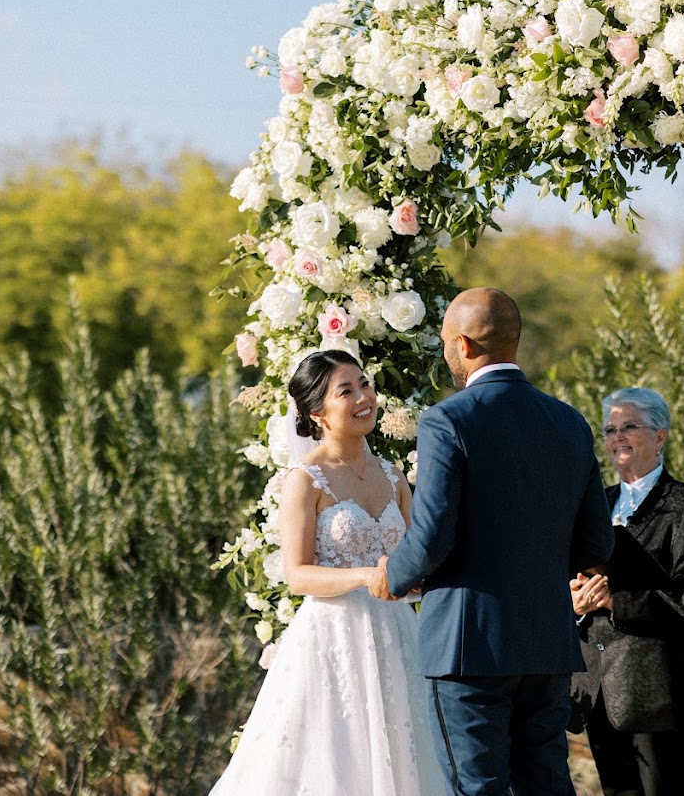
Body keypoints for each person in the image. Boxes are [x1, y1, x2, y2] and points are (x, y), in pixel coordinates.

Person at [368, 287, 615, 795]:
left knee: (475, 787)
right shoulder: (569, 421)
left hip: (468, 645)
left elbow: (432, 534)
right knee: (546, 786)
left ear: (462, 344)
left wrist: (391, 575)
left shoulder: (449, 419)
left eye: (443, 342)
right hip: (546, 641)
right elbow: (596, 542)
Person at [209, 350, 445, 796]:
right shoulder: (305, 480)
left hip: (398, 638)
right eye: (347, 390)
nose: (364, 397)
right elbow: (297, 575)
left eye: (365, 384)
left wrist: (416, 578)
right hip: (334, 638)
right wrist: (366, 576)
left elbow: (416, 557)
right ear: (316, 412)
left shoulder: (394, 476)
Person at [566, 388, 684, 796]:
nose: (618, 437)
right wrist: (576, 604)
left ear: (660, 436)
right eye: (610, 429)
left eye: (629, 426)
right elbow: (569, 582)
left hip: (660, 692)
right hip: (599, 689)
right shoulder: (592, 508)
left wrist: (615, 601)